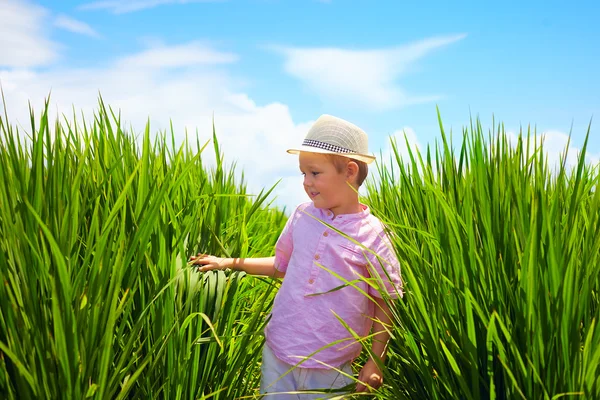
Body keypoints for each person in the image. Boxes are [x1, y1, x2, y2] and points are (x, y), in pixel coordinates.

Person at [189, 114, 403, 399]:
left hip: (332, 364)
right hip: (279, 349)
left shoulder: (373, 234)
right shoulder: (303, 215)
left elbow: (384, 300)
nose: (306, 182)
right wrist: (228, 262)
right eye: (303, 173)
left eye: (314, 173)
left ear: (350, 172)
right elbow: (281, 265)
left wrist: (376, 359)